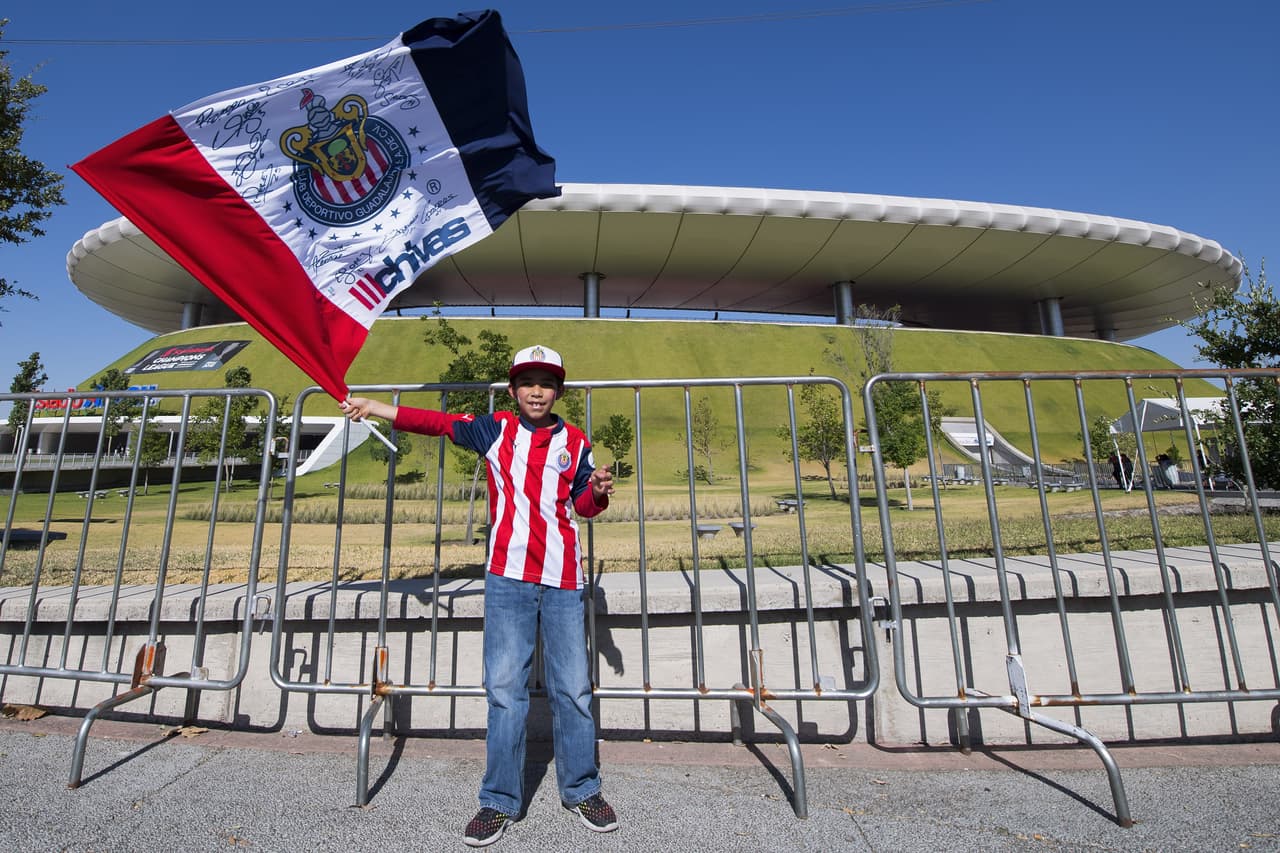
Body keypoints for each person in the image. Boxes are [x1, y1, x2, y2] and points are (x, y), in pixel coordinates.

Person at [341, 344, 617, 847]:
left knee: (574, 689)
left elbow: (583, 503)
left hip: (563, 578)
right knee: (505, 691)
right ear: (512, 391)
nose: (537, 390)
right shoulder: (495, 430)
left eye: (547, 382)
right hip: (508, 577)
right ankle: (498, 801)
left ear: (559, 391)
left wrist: (597, 490)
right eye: (527, 382)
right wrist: (375, 407)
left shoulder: (575, 440)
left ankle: (582, 789)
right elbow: (435, 422)